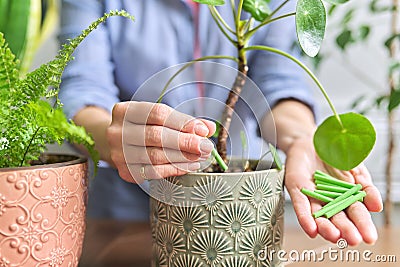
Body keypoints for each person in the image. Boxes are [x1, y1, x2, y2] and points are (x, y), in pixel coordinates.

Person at [59, 0, 382, 246]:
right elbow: (82, 87)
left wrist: (301, 139)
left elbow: (279, 80)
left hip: (243, 213)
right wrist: (109, 136)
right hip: (127, 218)